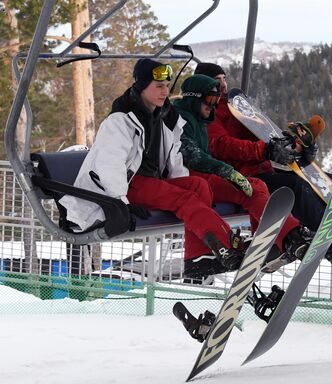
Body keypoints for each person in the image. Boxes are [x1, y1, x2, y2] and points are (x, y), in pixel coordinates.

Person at [59, 59, 247, 281]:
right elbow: (111, 164)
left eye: (167, 86)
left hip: (150, 182)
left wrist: (183, 185)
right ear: (142, 86)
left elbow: (175, 158)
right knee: (185, 199)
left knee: (197, 186)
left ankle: (198, 257)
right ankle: (225, 244)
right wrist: (121, 203)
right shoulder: (120, 121)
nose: (165, 91)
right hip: (127, 186)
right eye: (158, 86)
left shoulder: (166, 117)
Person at [195, 62, 332, 270]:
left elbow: (264, 133)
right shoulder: (208, 112)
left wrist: (295, 147)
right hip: (238, 176)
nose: (223, 85)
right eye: (218, 82)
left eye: (224, 79)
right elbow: (221, 146)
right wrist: (265, 150)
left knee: (318, 183)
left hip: (259, 168)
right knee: (294, 188)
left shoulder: (233, 107)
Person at [172, 74, 313, 274]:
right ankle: (289, 236)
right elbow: (192, 156)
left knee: (255, 186)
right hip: (185, 178)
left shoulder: (200, 120)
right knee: (251, 187)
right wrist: (228, 171)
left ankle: (276, 239)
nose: (213, 107)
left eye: (216, 102)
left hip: (199, 176)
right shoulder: (180, 118)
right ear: (194, 98)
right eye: (210, 101)